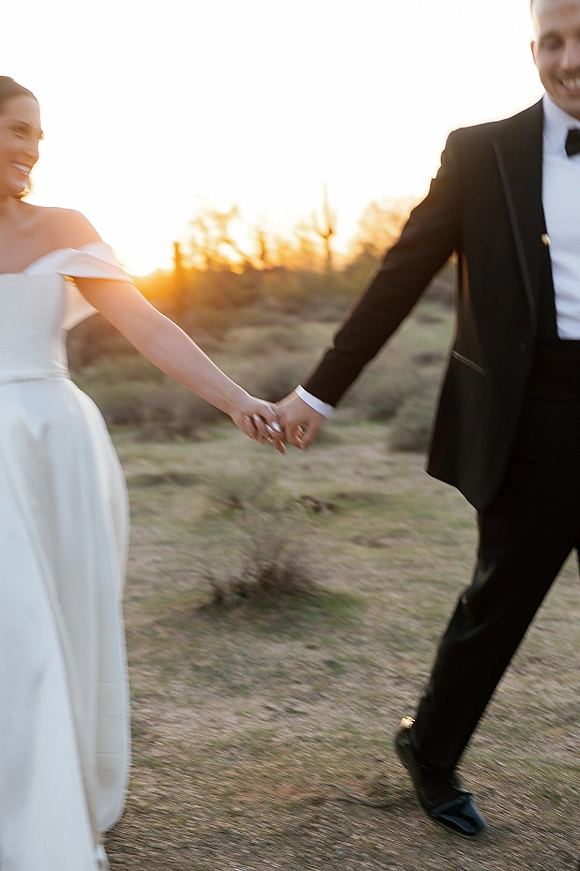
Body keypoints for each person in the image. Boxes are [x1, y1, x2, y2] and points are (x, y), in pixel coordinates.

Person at [275, 0, 580, 838]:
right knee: (501, 600)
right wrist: (318, 390)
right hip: (534, 413)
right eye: (553, 41)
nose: (569, 59)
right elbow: (403, 270)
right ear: (532, 50)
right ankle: (433, 748)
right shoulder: (483, 153)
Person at [0, 76, 282, 870]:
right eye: (18, 131)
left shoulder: (65, 226)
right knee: (12, 630)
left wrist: (233, 399)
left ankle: (55, 808)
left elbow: (147, 324)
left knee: (61, 621)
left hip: (55, 440)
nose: (31, 151)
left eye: (39, 138)